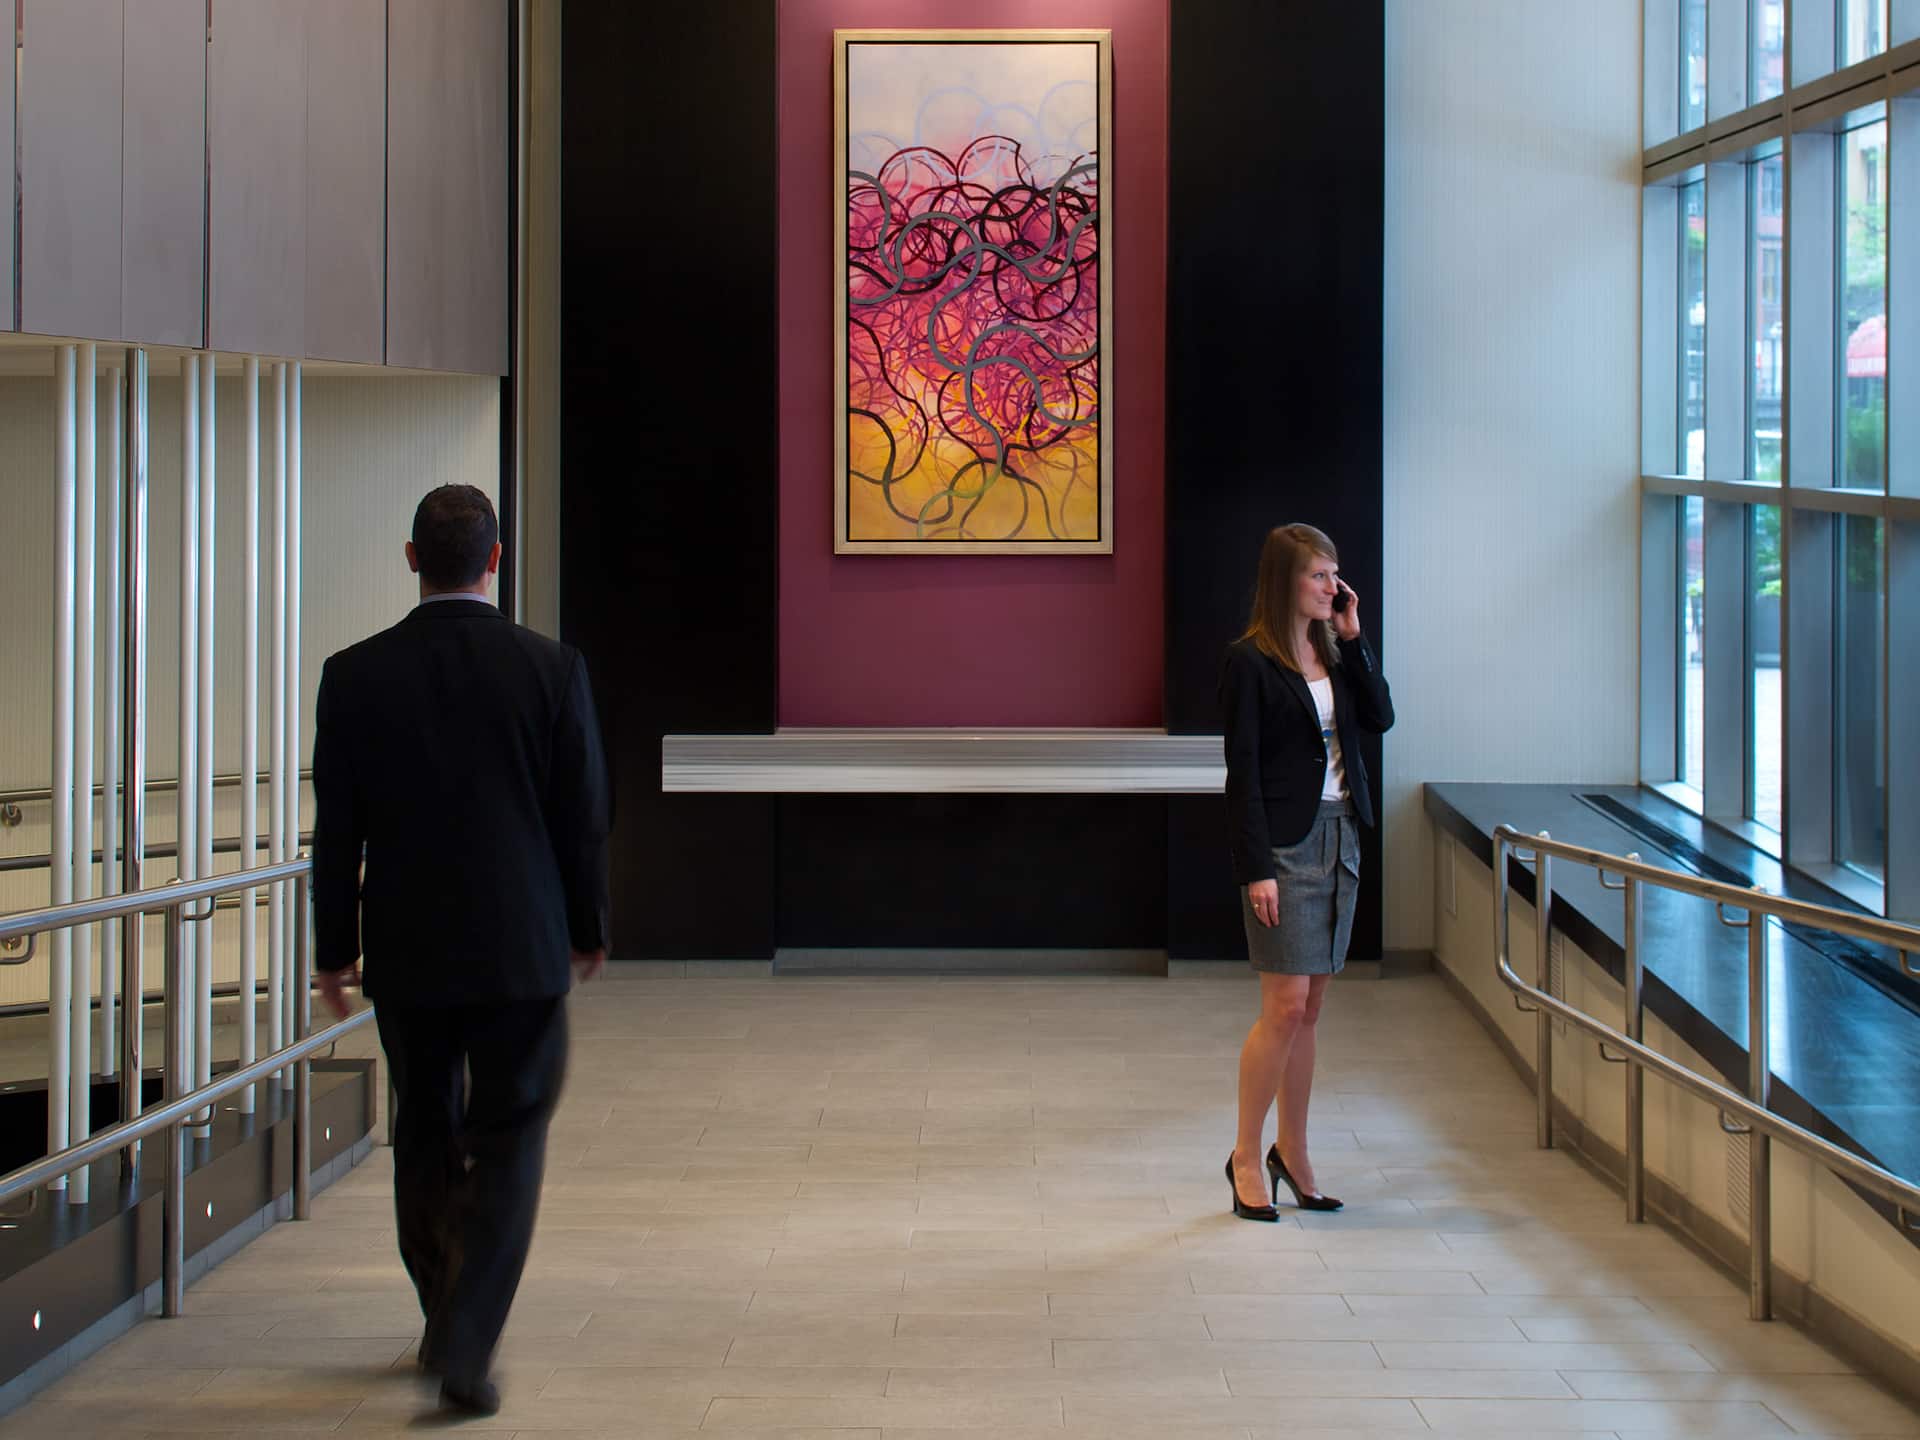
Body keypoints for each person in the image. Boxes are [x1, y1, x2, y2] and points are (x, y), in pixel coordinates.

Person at [311, 484, 611, 1415]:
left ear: (411, 559)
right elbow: (583, 820)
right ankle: (466, 1344)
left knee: (426, 1130)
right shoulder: (550, 669)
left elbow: (337, 834)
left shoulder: (353, 674)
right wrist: (588, 930)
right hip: (520, 951)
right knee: (512, 1135)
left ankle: (443, 1313)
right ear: (495, 561)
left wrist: (335, 950)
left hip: (407, 952)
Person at [1219, 523, 1393, 1221]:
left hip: (1342, 837)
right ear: (1285, 582)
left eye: (1335, 575)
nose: (1332, 588)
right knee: (1283, 1007)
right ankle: (1243, 1152)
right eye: (1320, 576)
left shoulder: (1336, 651)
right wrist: (1255, 868)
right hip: (1285, 850)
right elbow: (1244, 775)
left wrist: (1355, 639)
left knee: (1312, 1009)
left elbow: (1380, 717)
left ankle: (1293, 1151)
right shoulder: (1250, 663)